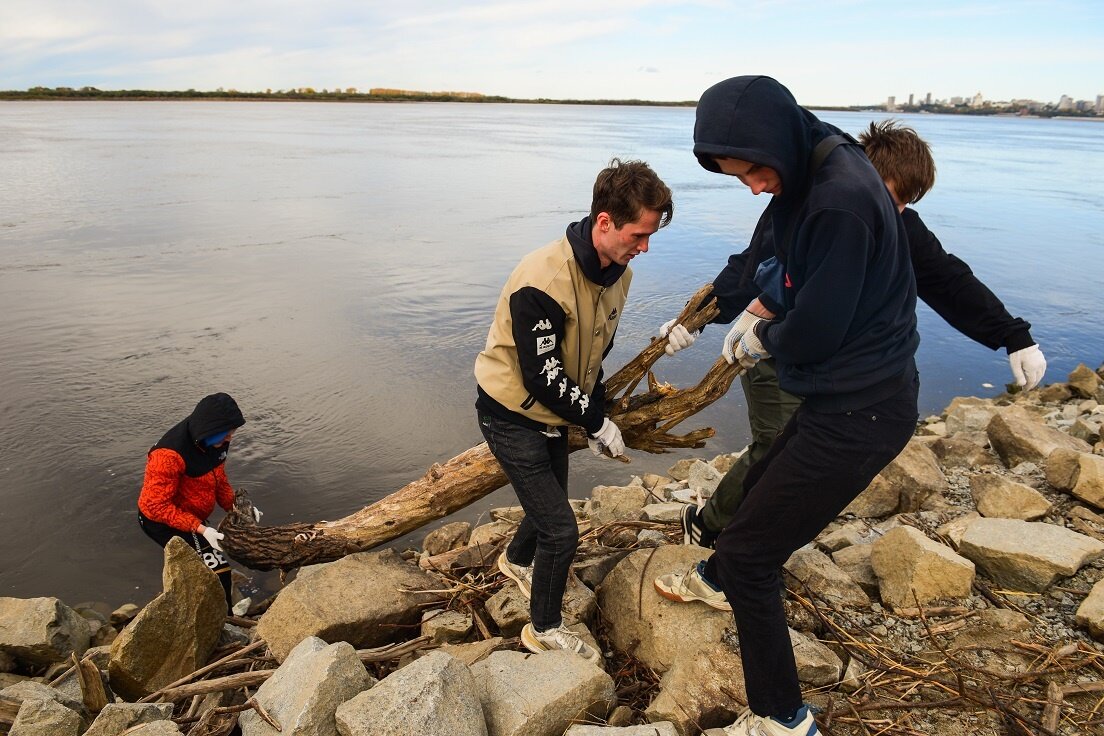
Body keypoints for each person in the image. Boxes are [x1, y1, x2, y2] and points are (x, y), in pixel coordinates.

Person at [652, 76, 920, 736]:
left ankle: (782, 719)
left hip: (863, 411)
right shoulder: (810, 157)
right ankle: (714, 579)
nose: (750, 187)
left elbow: (818, 327)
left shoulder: (838, 201)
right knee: (763, 489)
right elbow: (755, 258)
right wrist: (705, 316)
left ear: (773, 143)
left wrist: (760, 336)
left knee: (751, 555)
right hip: (848, 396)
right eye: (736, 177)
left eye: (751, 172)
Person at [665, 119, 1048, 549]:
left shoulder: (898, 224)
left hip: (829, 364)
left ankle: (752, 537)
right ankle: (712, 528)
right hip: (771, 345)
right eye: (892, 197)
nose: (896, 210)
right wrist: (693, 320)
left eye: (905, 203)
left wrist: (1013, 336)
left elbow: (950, 281)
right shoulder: (815, 207)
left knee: (804, 449)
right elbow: (749, 267)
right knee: (777, 442)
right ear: (863, 175)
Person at [475, 158, 673, 663]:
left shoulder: (617, 272)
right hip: (511, 412)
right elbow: (542, 377)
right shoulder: (541, 281)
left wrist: (596, 405)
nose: (645, 247)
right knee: (562, 529)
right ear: (604, 222)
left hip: (556, 409)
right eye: (638, 234)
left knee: (551, 501)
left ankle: (515, 562)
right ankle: (543, 628)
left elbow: (594, 352)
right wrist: (596, 422)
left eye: (650, 236)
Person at [137, 392, 257, 612]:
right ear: (210, 429)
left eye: (233, 431)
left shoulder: (215, 441)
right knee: (219, 570)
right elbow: (156, 506)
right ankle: (226, 621)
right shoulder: (168, 455)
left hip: (191, 515)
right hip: (161, 521)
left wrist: (236, 508)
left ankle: (204, 608)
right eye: (227, 432)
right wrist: (201, 529)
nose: (230, 438)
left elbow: (219, 480)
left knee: (206, 563)